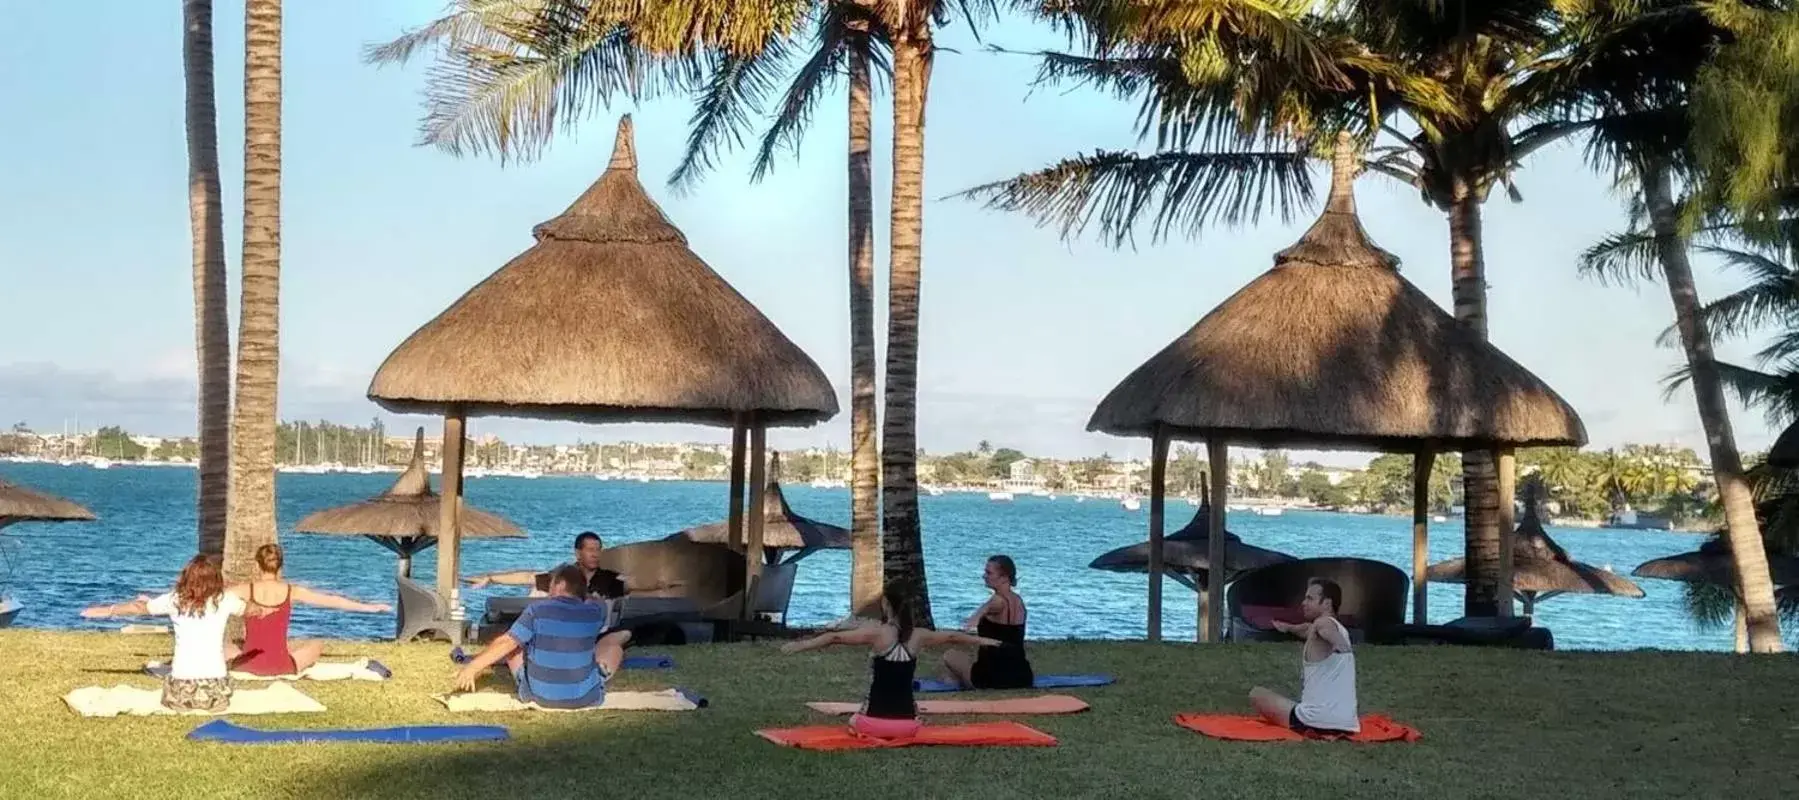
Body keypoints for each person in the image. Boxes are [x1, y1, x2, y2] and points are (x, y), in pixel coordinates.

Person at [782, 582, 1001, 739]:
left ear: (886, 604)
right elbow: (953, 636)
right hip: (909, 727)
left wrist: (800, 645)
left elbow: (835, 637)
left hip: (871, 724)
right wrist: (985, 641)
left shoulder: (878, 633)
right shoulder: (919, 635)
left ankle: (861, 727)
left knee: (853, 720)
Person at [81, 554, 245, 712]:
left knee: (172, 687)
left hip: (182, 691)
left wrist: (108, 610)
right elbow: (251, 609)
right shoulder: (225, 599)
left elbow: (139, 608)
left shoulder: (174, 600)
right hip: (215, 691)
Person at [453, 564, 631, 709]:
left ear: (560, 586)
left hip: (539, 696)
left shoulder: (537, 610)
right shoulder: (594, 612)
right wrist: (587, 595)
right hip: (585, 698)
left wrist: (472, 667)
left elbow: (507, 643)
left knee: (514, 644)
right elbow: (597, 602)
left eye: (551, 585)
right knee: (613, 647)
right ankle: (598, 676)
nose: (548, 590)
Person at [225, 544, 392, 676]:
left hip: (247, 666)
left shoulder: (245, 590)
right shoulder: (292, 591)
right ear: (280, 566)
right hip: (281, 666)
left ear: (257, 565)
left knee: (227, 646)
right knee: (316, 645)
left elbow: (213, 598)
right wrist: (370, 607)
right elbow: (331, 600)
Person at [1249, 577, 1360, 734]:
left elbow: (1328, 631)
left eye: (1310, 599)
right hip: (1347, 723)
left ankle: (1306, 721)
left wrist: (1340, 646)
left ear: (1327, 603)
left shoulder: (1324, 624)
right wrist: (1287, 627)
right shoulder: (1337, 628)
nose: (1303, 603)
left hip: (1315, 721)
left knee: (1256, 694)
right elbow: (1306, 629)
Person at [940, 555, 1034, 690]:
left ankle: (958, 683)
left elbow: (971, 624)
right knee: (951, 674)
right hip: (1022, 676)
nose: (984, 576)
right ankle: (956, 682)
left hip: (992, 678)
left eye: (988, 573)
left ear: (1004, 577)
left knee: (950, 655)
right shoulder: (1019, 601)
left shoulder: (996, 601)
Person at [464, 531, 630, 599]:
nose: (595, 554)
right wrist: (491, 578)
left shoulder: (610, 579)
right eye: (590, 550)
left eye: (598, 550)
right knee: (537, 592)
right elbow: (528, 577)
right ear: (578, 553)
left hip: (596, 630)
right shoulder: (564, 576)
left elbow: (636, 588)